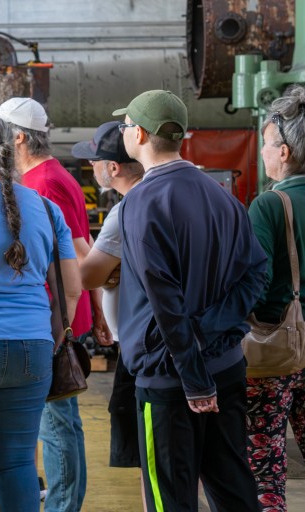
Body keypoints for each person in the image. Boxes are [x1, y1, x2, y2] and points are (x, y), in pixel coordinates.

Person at [114, 89, 267, 511]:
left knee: (170, 499)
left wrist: (193, 374)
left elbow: (164, 299)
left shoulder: (141, 203)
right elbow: (258, 271)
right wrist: (210, 332)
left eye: (126, 126)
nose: (125, 132)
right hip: (226, 366)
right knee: (234, 488)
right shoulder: (222, 196)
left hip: (171, 379)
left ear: (140, 135)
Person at [0, 114, 81, 511]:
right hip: (33, 347)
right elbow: (70, 290)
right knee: (19, 463)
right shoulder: (45, 208)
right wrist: (53, 338)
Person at [0, 97, 106, 512]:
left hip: (50, 325)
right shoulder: (45, 179)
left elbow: (77, 256)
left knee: (57, 425)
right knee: (49, 424)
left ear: (17, 137)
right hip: (49, 321)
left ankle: (63, 504)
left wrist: (75, 319)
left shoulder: (45, 183)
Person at [73, 121, 147, 506]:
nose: (92, 168)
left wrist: (113, 270)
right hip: (145, 341)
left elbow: (88, 276)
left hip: (141, 347)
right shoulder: (144, 200)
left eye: (96, 161)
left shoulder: (123, 212)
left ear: (114, 167)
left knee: (151, 456)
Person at [246, 85, 305, 512]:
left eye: (266, 144)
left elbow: (257, 284)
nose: (262, 152)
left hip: (277, 349)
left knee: (265, 464)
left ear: (283, 152)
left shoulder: (270, 204)